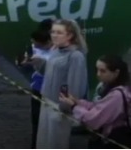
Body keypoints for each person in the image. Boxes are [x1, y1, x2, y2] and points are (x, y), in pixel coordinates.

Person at [58, 54, 131, 149]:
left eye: (103, 71)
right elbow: (98, 106)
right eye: (97, 70)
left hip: (112, 140)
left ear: (116, 73)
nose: (98, 74)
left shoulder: (116, 95)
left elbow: (93, 120)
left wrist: (74, 107)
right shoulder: (114, 88)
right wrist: (77, 102)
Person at [34, 18, 89, 149]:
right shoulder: (55, 50)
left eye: (59, 32)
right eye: (53, 32)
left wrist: (65, 108)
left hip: (59, 107)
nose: (54, 35)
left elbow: (75, 85)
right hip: (46, 102)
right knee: (43, 142)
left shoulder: (75, 56)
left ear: (70, 35)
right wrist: (37, 63)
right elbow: (49, 73)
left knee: (55, 143)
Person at [18, 20, 53, 149]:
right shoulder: (33, 48)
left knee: (51, 122)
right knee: (37, 119)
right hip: (38, 89)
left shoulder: (61, 51)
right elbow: (22, 62)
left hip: (54, 91)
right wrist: (25, 62)